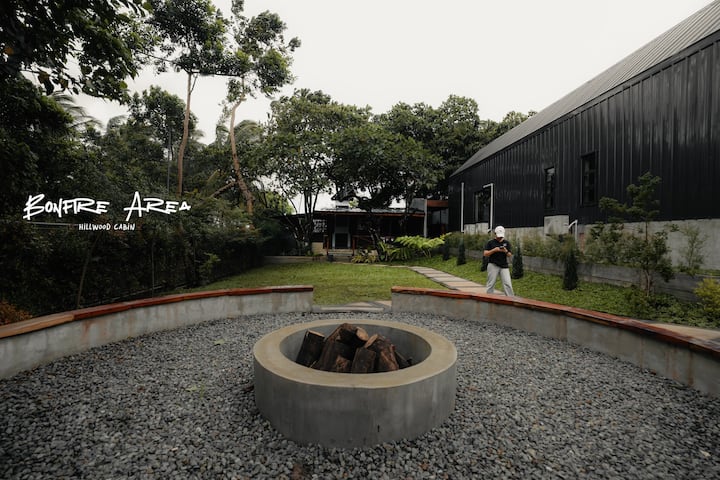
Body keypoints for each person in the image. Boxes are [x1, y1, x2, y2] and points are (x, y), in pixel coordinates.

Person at [483, 226, 515, 296]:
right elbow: (485, 254)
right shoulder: (490, 242)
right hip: (493, 265)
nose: (500, 238)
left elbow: (509, 255)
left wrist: (505, 251)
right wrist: (494, 250)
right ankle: (489, 298)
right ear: (495, 234)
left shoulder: (506, 243)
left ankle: (511, 299)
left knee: (508, 283)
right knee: (491, 284)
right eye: (499, 236)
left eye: (501, 236)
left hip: (504, 265)